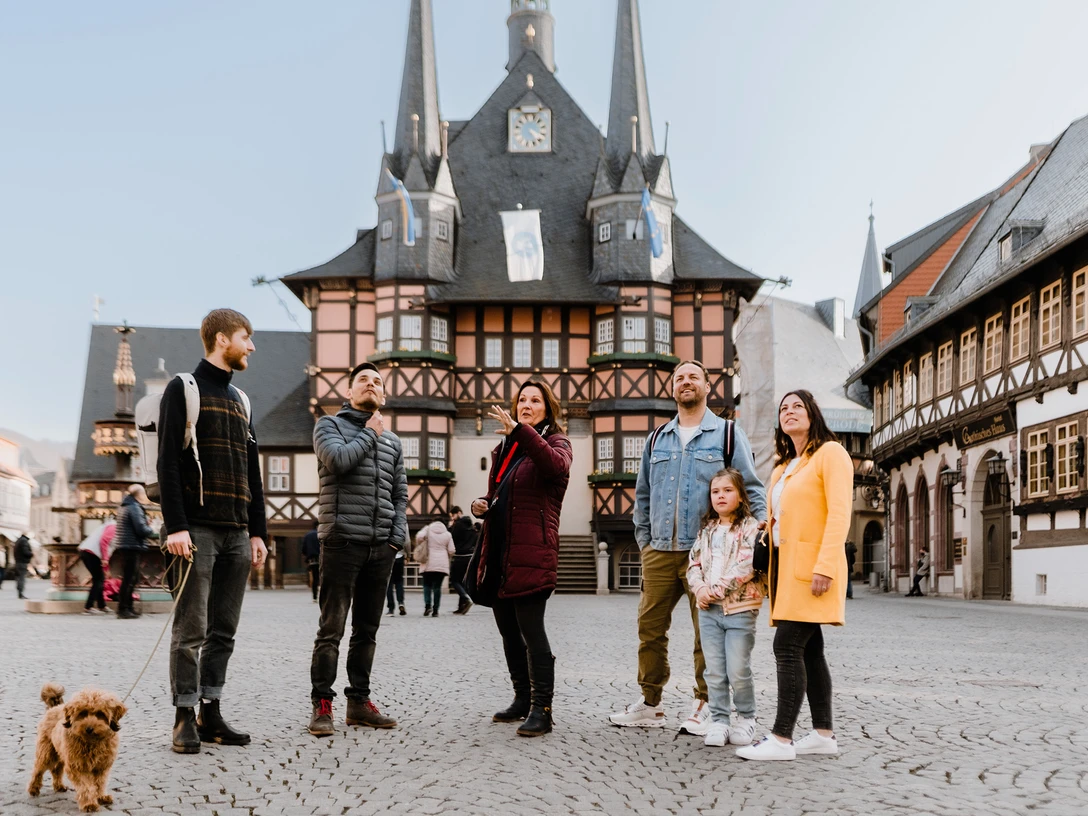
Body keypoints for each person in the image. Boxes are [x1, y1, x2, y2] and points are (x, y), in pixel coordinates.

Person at [610, 360, 765, 737]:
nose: (686, 382)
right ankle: (650, 704)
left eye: (694, 376)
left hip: (710, 555)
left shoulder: (728, 434)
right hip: (659, 550)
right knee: (650, 629)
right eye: (679, 377)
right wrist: (645, 543)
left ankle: (705, 705)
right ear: (673, 388)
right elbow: (642, 495)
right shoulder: (656, 439)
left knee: (706, 634)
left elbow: (751, 487)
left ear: (707, 386)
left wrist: (758, 535)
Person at [158, 308, 269, 754]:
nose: (251, 346)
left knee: (224, 630)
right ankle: (184, 716)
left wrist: (258, 532)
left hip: (237, 533)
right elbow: (167, 461)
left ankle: (211, 711)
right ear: (222, 339)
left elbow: (252, 472)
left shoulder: (241, 399)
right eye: (246, 337)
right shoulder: (183, 388)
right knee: (191, 630)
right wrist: (176, 526)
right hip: (196, 532)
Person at [737, 390, 852, 761]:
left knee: (786, 646)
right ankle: (823, 734)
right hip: (785, 569)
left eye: (797, 406)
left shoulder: (831, 453)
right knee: (811, 650)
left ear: (812, 413)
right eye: (783, 408)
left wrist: (825, 566)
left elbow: (839, 514)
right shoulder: (783, 467)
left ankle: (781, 739)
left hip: (812, 568)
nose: (789, 412)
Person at [308, 361, 407, 737]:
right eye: (363, 380)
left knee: (367, 630)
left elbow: (400, 494)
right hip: (341, 541)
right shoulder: (328, 426)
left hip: (381, 547)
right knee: (331, 628)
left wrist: (396, 539)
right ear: (349, 392)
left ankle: (359, 703)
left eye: (377, 381)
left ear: (384, 395)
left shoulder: (393, 441)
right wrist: (370, 433)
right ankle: (322, 704)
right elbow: (337, 462)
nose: (370, 384)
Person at [471, 380, 572, 737]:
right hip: (500, 549)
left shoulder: (557, 442)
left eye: (535, 400)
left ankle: (542, 709)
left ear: (548, 408)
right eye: (522, 400)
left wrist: (522, 432)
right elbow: (497, 493)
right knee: (509, 633)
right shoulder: (505, 449)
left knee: (532, 631)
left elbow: (554, 468)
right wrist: (481, 504)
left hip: (532, 550)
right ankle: (521, 698)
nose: (527, 405)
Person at [687, 468, 764, 749]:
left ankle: (746, 717)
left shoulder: (751, 528)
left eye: (728, 490)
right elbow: (693, 563)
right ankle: (719, 720)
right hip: (709, 611)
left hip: (740, 610)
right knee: (715, 671)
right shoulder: (706, 530)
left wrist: (715, 590)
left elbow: (747, 565)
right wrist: (699, 588)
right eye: (715, 491)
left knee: (738, 669)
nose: (721, 496)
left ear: (740, 495)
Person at [115, 485, 158, 619]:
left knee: (129, 578)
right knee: (130, 579)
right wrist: (151, 529)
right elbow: (141, 529)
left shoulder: (125, 506)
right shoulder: (134, 507)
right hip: (132, 546)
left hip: (125, 545)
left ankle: (127, 607)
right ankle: (124, 609)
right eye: (144, 494)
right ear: (139, 495)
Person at [415, 519, 455, 617]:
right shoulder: (447, 534)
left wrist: (425, 533)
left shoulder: (428, 529)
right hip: (441, 564)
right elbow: (452, 550)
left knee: (427, 585)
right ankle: (436, 610)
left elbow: (419, 537)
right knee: (437, 587)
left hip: (428, 562)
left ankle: (427, 606)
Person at [79, 520, 116, 615]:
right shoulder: (114, 526)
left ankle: (102, 606)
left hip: (90, 552)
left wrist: (106, 569)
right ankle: (88, 607)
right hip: (91, 553)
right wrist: (105, 559)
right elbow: (104, 541)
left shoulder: (112, 526)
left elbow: (108, 548)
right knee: (98, 580)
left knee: (100, 579)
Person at [448, 506, 476, 615]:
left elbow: (452, 538)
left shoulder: (458, 525)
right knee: (462, 581)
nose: (452, 518)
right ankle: (462, 606)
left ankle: (466, 598)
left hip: (460, 556)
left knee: (455, 580)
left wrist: (450, 527)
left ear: (459, 513)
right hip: (470, 556)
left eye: (453, 515)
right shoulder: (472, 526)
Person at [385, 548, 406, 616]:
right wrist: (408, 556)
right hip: (400, 556)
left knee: (389, 584)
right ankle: (401, 602)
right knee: (399, 582)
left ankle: (391, 608)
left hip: (388, 556)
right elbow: (407, 543)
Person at [13, 533, 35, 599]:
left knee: (19, 578)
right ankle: (20, 593)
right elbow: (25, 552)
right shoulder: (24, 541)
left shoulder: (18, 540)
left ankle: (19, 592)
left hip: (18, 562)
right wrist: (31, 554)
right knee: (21, 578)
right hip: (22, 562)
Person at [302, 529, 321, 603]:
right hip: (323, 558)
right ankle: (324, 596)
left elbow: (304, 549)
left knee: (315, 578)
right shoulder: (321, 534)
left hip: (313, 560)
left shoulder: (308, 535)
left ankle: (315, 597)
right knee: (324, 578)